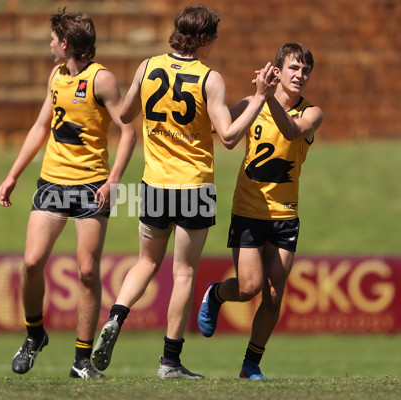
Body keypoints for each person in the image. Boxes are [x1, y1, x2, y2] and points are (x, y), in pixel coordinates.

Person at [91, 4, 277, 379]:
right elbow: (227, 137)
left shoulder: (147, 66)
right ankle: (169, 362)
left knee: (145, 263)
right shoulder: (209, 78)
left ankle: (115, 317)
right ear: (204, 39)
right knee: (184, 274)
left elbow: (126, 116)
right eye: (214, 38)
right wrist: (259, 98)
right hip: (194, 187)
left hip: (154, 184)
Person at [0, 8, 136, 379]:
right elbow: (42, 125)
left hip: (91, 185)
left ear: (66, 43)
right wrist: (13, 175)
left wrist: (114, 180)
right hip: (53, 183)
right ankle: (34, 334)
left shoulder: (102, 80)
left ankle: (81, 360)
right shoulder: (56, 77)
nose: (50, 46)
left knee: (88, 271)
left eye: (53, 40)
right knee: (31, 263)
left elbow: (129, 132)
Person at [197, 43, 324, 379]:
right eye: (294, 68)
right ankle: (216, 293)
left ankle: (251, 363)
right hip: (249, 210)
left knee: (272, 293)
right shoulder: (252, 104)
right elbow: (216, 127)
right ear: (277, 72)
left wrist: (264, 97)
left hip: (285, 215)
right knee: (250, 286)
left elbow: (292, 132)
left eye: (305, 70)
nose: (300, 76)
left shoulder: (311, 113)